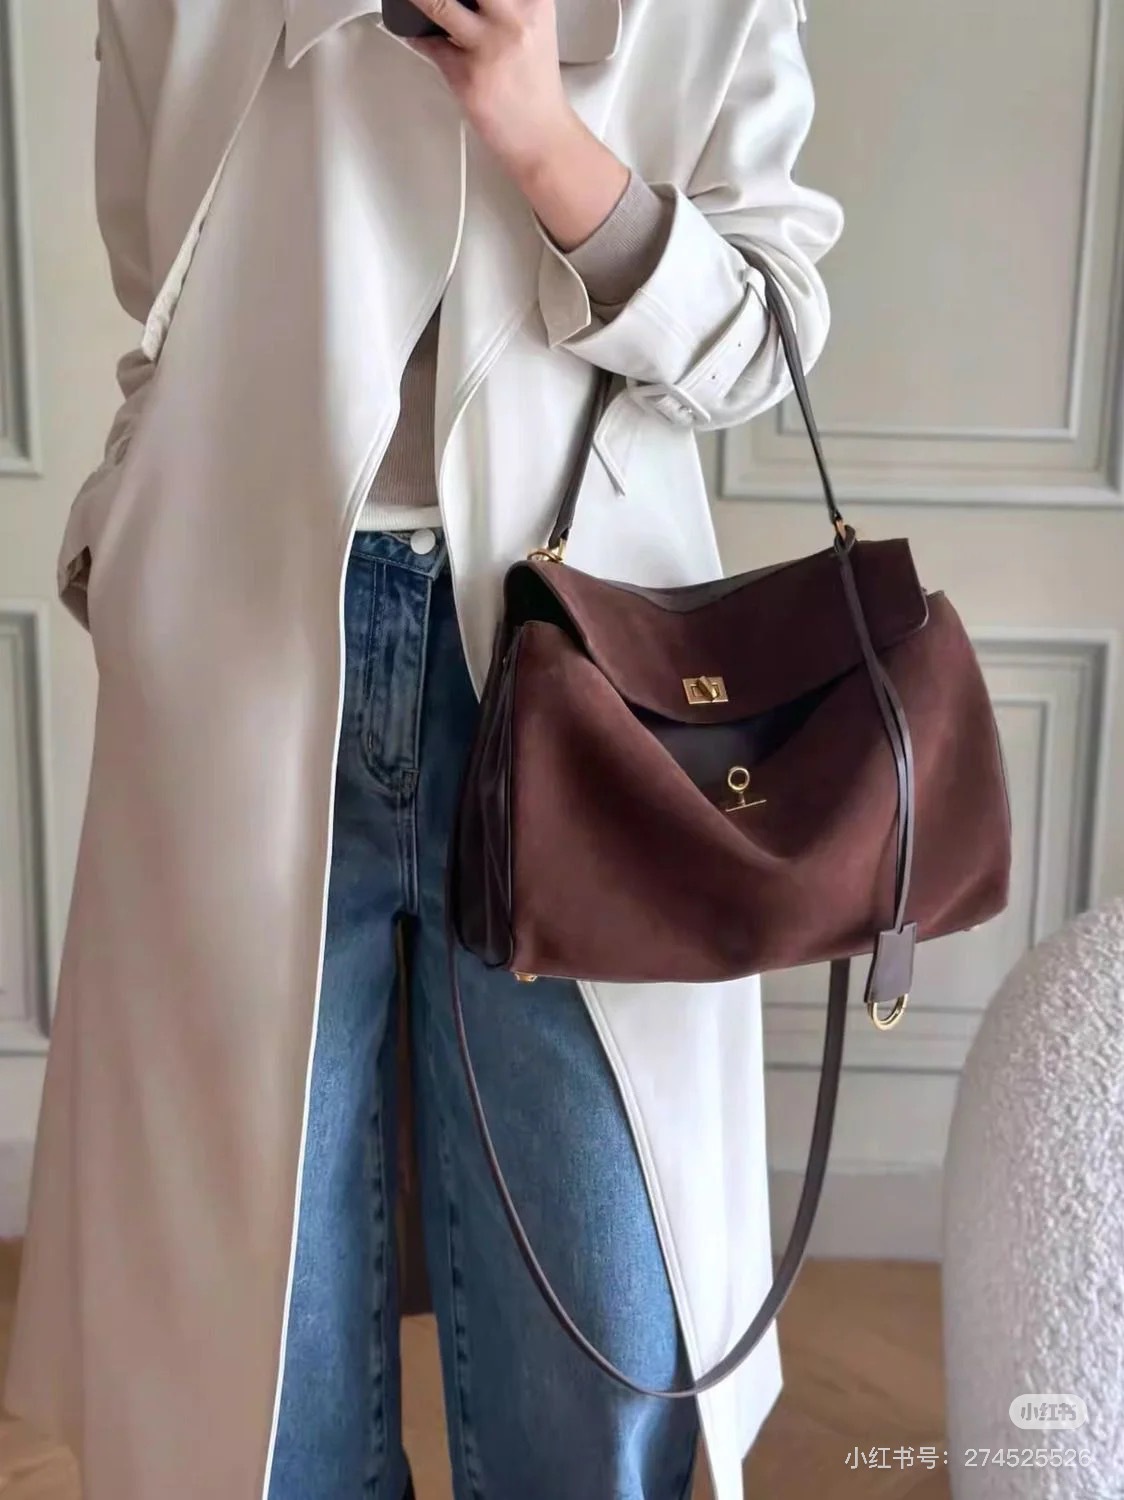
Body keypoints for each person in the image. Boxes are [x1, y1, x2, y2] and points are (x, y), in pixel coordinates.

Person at [4, 2, 843, 1498]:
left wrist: (544, 135)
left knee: (601, 1353)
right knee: (253, 1386)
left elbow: (766, 333)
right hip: (244, 655)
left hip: (582, 679)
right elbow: (163, 291)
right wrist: (121, 550)